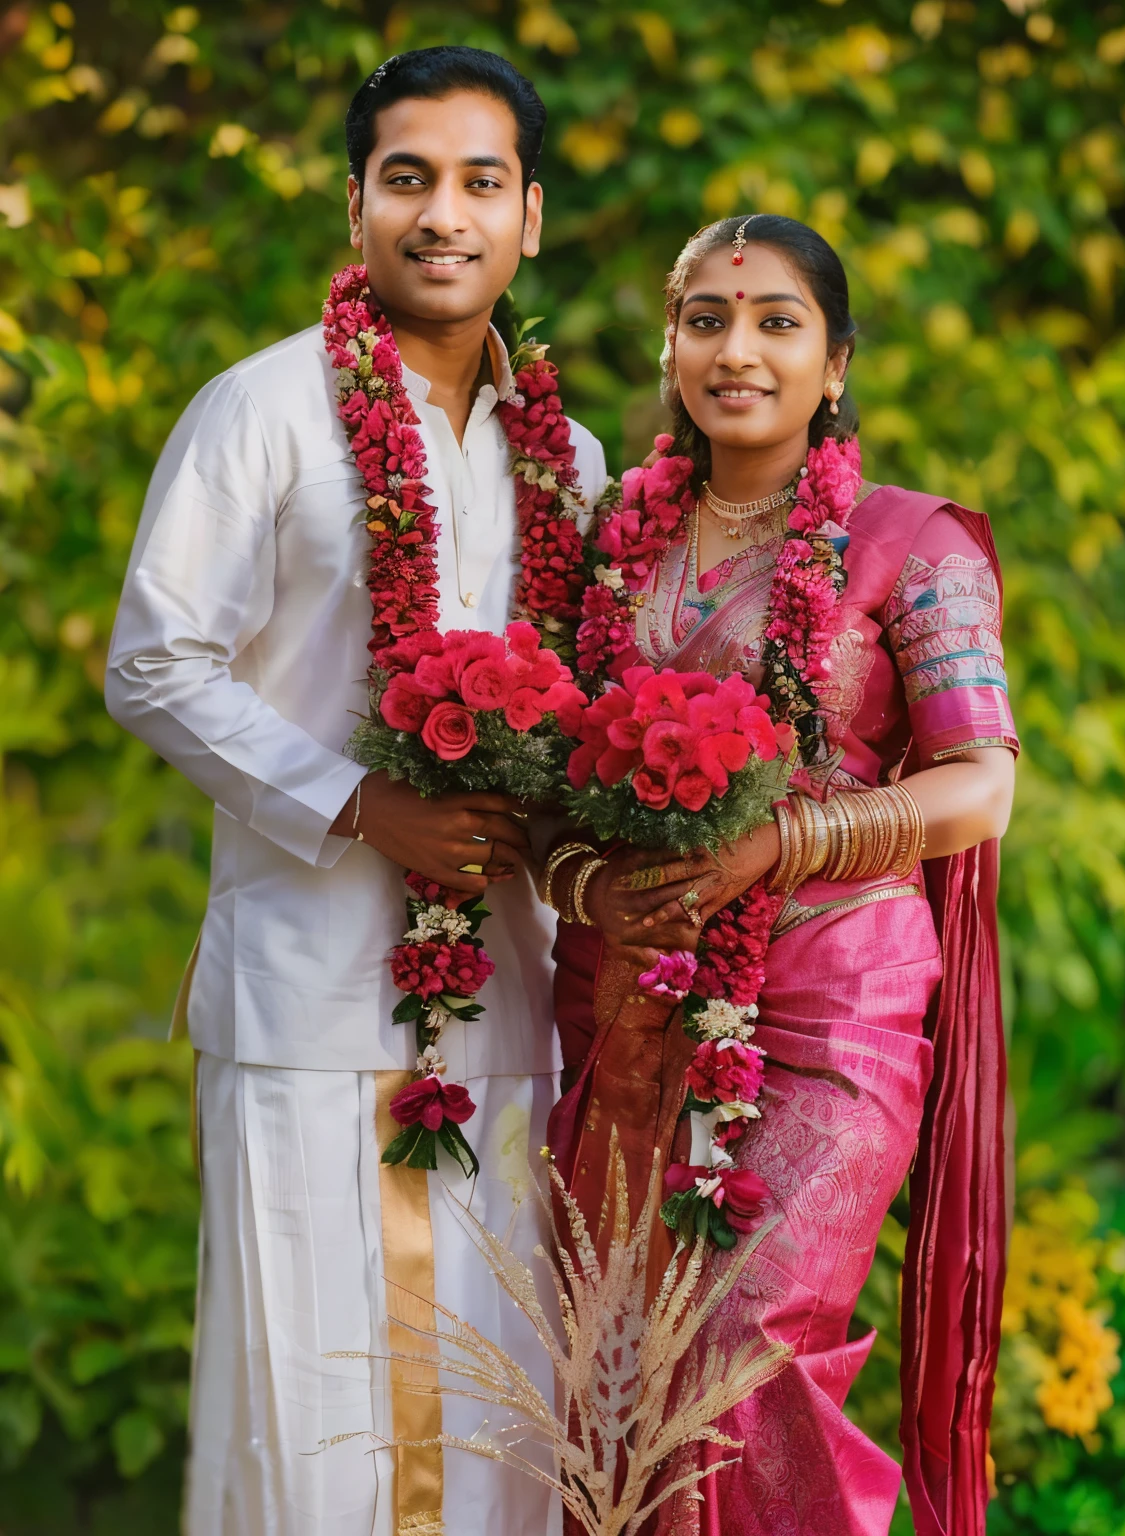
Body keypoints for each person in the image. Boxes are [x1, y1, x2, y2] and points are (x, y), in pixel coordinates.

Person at [106, 46, 606, 1536]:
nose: (441, 214)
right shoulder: (259, 412)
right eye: (408, 179)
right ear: (355, 207)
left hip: (516, 1015)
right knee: (312, 1425)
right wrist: (355, 803)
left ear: (530, 217)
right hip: (309, 1005)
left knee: (505, 1414)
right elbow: (153, 660)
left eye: (478, 182)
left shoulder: (572, 464)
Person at [543, 215, 1016, 1536]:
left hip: (829, 1003)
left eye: (776, 322)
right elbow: (546, 772)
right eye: (706, 319)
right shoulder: (606, 544)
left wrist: (788, 840)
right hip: (630, 999)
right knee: (613, 1374)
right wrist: (587, 882)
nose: (735, 350)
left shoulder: (912, 546)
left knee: (750, 1349)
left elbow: (982, 784)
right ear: (670, 347)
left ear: (836, 361)